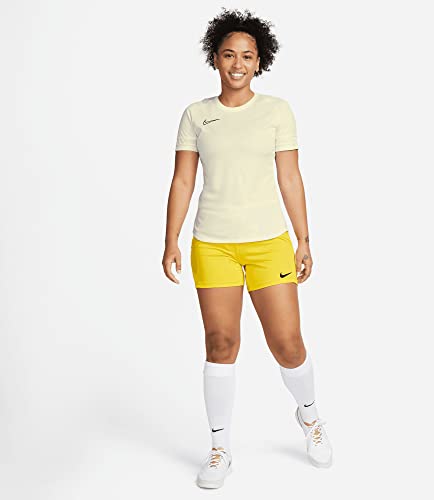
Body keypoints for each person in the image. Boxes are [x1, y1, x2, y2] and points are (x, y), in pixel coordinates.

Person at [162, 8, 333, 489]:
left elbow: (290, 177)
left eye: (247, 56)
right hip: (212, 245)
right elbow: (182, 180)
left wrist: (303, 238)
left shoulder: (277, 111)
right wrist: (170, 239)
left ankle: (310, 415)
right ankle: (219, 448)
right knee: (221, 343)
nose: (237, 64)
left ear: (260, 62)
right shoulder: (196, 115)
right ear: (215, 58)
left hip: (268, 244)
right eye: (229, 54)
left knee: (287, 343)